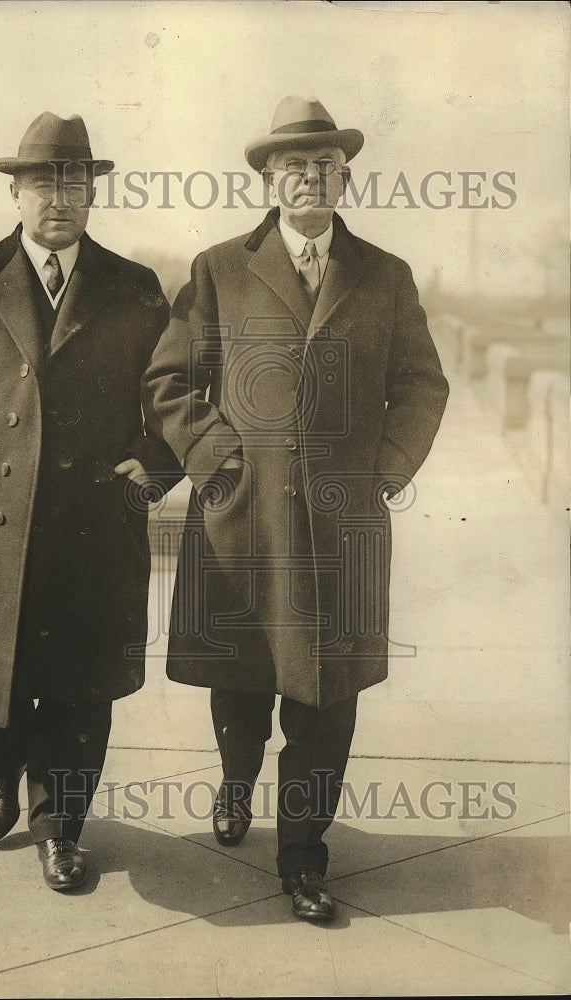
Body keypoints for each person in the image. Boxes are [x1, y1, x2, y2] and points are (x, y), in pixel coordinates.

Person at [142, 96, 449, 921]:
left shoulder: (385, 275)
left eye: (324, 165)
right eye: (293, 166)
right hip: (242, 518)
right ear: (269, 180)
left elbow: (422, 385)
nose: (309, 177)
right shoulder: (218, 268)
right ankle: (236, 782)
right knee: (241, 679)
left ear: (344, 178)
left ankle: (304, 858)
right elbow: (170, 381)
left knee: (327, 696)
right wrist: (215, 457)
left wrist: (383, 471)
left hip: (342, 529)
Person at [0, 111, 181, 891]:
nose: (59, 197)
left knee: (81, 689)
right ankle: (0, 772)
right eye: (43, 182)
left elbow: (173, 394)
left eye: (74, 182)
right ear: (15, 192)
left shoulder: (134, 286)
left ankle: (61, 829)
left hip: (93, 528)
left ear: (93, 193)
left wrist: (155, 462)